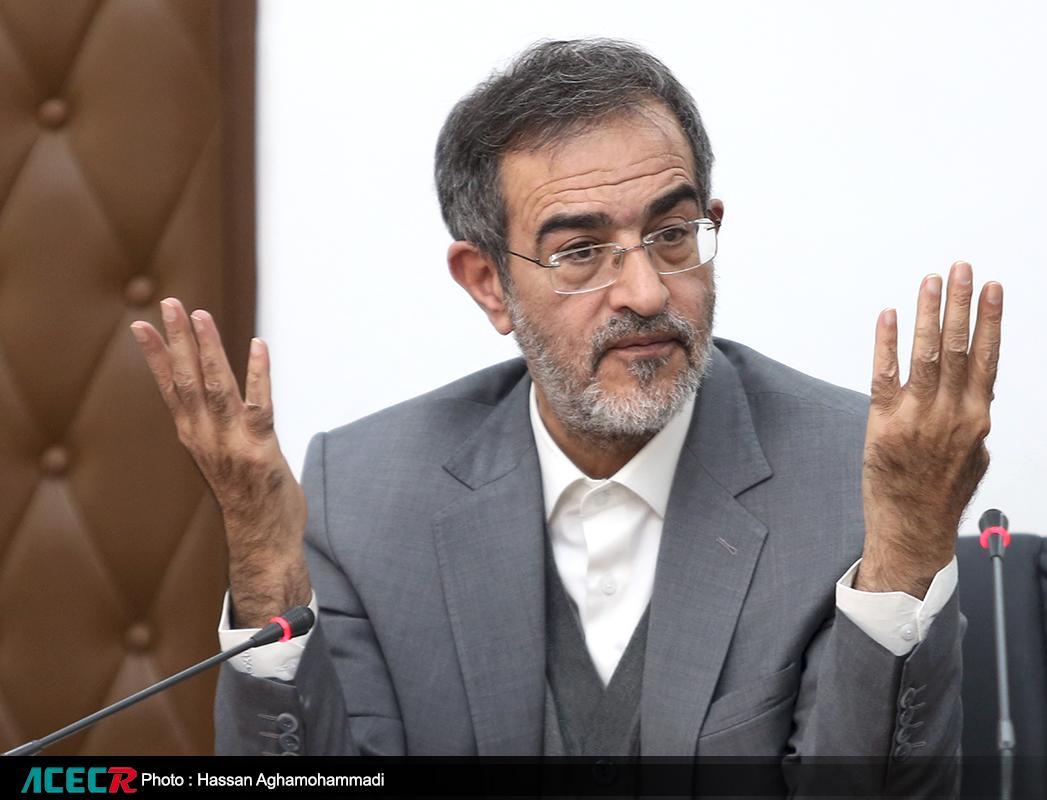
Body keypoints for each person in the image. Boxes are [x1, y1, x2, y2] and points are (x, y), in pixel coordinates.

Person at [130, 39, 1001, 794]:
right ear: (487, 284)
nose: (647, 291)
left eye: (672, 234)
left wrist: (906, 547)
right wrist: (264, 559)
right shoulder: (362, 497)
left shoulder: (856, 475)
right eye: (581, 251)